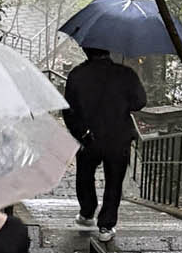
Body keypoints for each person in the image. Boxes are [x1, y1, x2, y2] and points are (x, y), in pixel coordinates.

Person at [62, 43, 145, 239]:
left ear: (86, 50)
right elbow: (140, 102)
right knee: (114, 180)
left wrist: (80, 132)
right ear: (108, 51)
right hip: (118, 137)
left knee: (85, 175)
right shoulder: (126, 74)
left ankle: (87, 212)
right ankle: (106, 226)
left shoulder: (76, 75)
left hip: (89, 137)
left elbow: (67, 109)